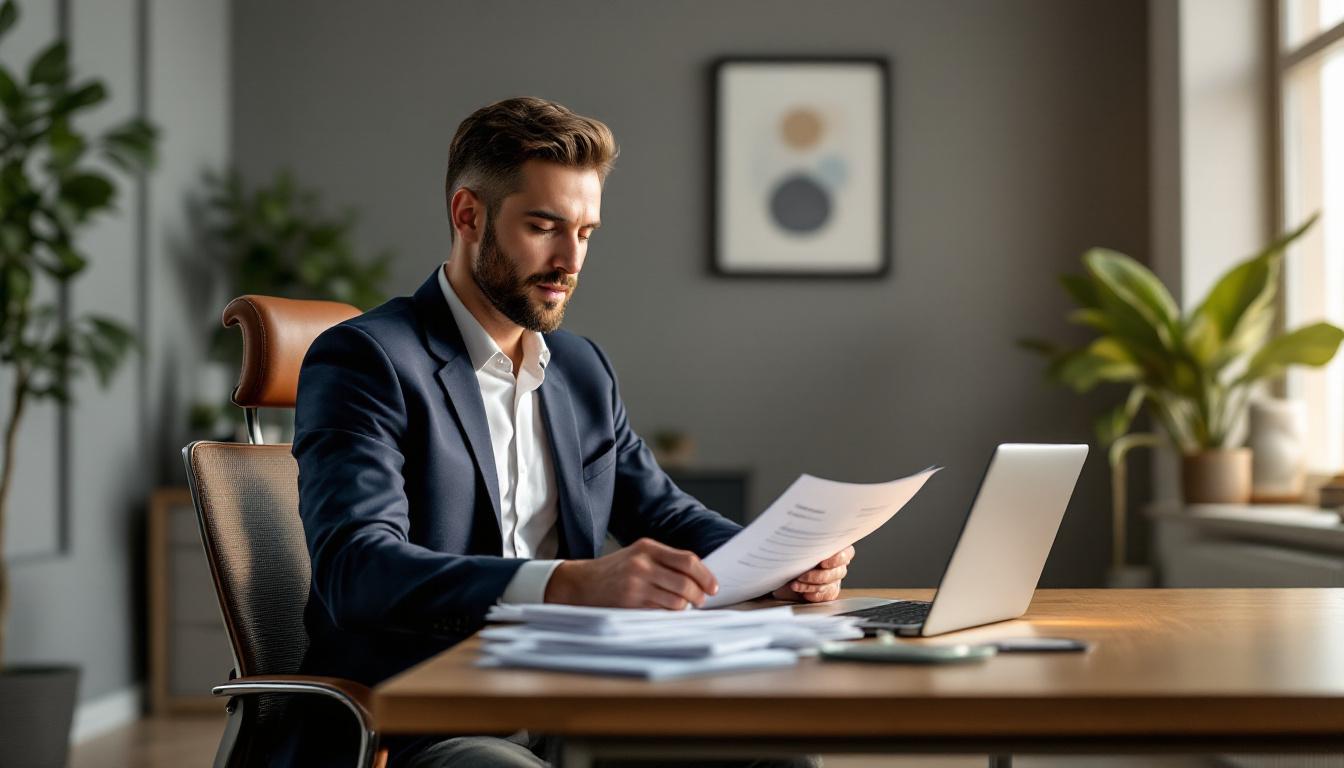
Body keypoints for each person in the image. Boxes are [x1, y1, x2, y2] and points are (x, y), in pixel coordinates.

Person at [288, 96, 854, 767]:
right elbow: (357, 568)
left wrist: (780, 561)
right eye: (543, 227)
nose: (569, 259)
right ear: (469, 215)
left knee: (778, 757)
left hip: (582, 701)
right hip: (434, 720)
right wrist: (564, 583)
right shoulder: (370, 359)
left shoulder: (580, 369)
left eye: (585, 232)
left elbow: (663, 511)